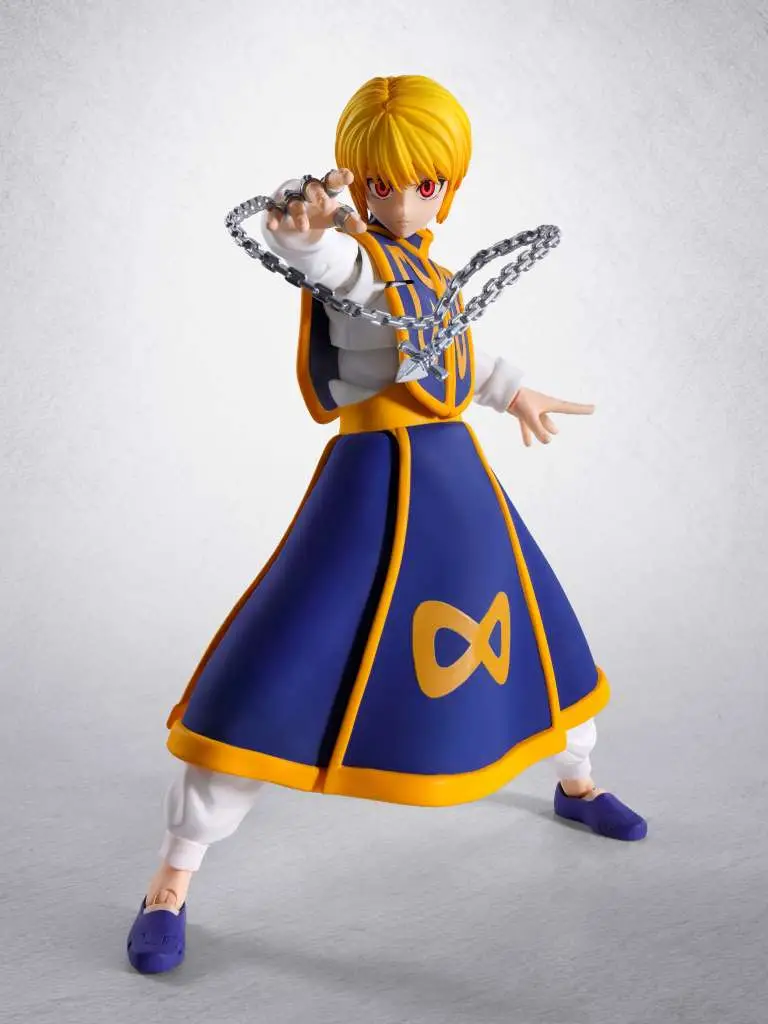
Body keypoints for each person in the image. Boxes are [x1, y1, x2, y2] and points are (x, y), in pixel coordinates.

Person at [127, 74, 647, 976]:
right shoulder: (356, 258)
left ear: (448, 184)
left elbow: (458, 350)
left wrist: (516, 392)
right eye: (380, 184)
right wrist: (302, 229)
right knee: (286, 655)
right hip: (372, 490)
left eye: (424, 183)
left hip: (458, 489)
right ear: (358, 182)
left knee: (534, 636)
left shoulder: (431, 272)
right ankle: (171, 880)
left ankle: (577, 781)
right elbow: (322, 261)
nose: (401, 201)